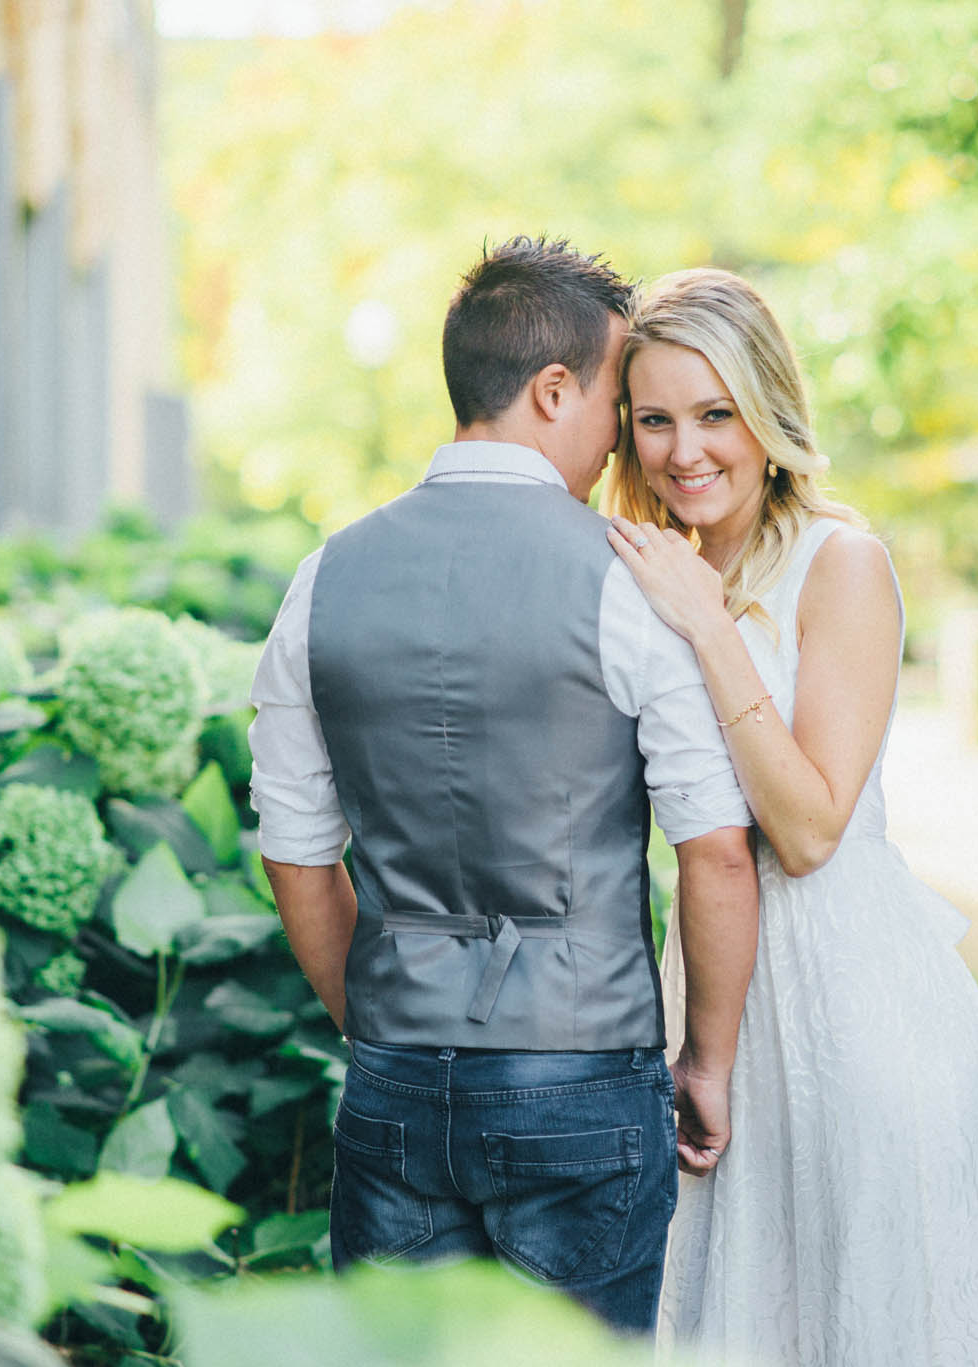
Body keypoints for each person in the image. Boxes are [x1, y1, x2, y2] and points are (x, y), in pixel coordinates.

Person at [247, 237, 761, 1335]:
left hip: (394, 1080)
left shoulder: (322, 576)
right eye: (621, 401)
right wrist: (706, 1058)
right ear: (551, 389)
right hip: (579, 1080)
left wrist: (375, 1020)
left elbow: (296, 846)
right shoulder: (626, 580)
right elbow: (713, 845)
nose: (626, 434)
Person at [604, 267, 978, 1364]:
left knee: (872, 1320)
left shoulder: (839, 562)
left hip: (850, 1002)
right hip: (716, 991)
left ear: (768, 415)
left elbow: (809, 830)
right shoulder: (644, 561)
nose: (686, 451)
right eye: (656, 419)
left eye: (716, 413)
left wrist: (709, 629)